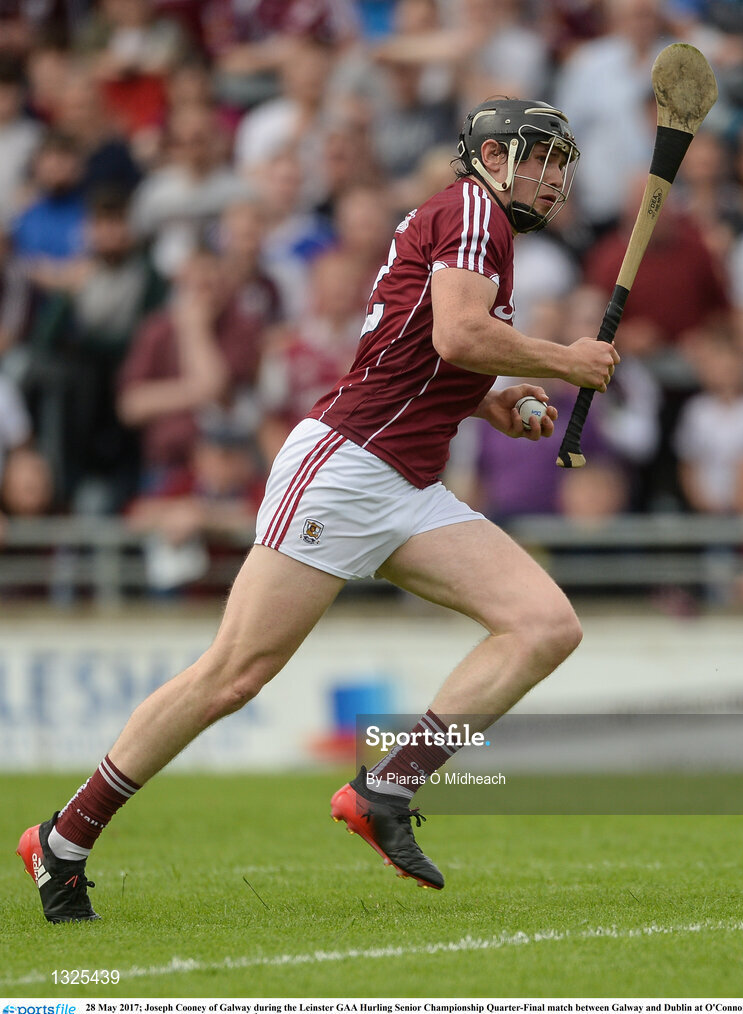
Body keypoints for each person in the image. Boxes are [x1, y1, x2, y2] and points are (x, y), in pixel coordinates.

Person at [17, 98, 619, 920]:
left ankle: (386, 792)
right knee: (234, 674)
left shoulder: (477, 226)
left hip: (405, 480)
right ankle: (64, 837)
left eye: (561, 164)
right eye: (538, 157)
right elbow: (456, 337)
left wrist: (498, 402)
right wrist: (565, 362)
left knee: (544, 624)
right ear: (488, 155)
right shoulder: (475, 210)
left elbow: (428, 352)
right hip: (348, 467)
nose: (553, 179)